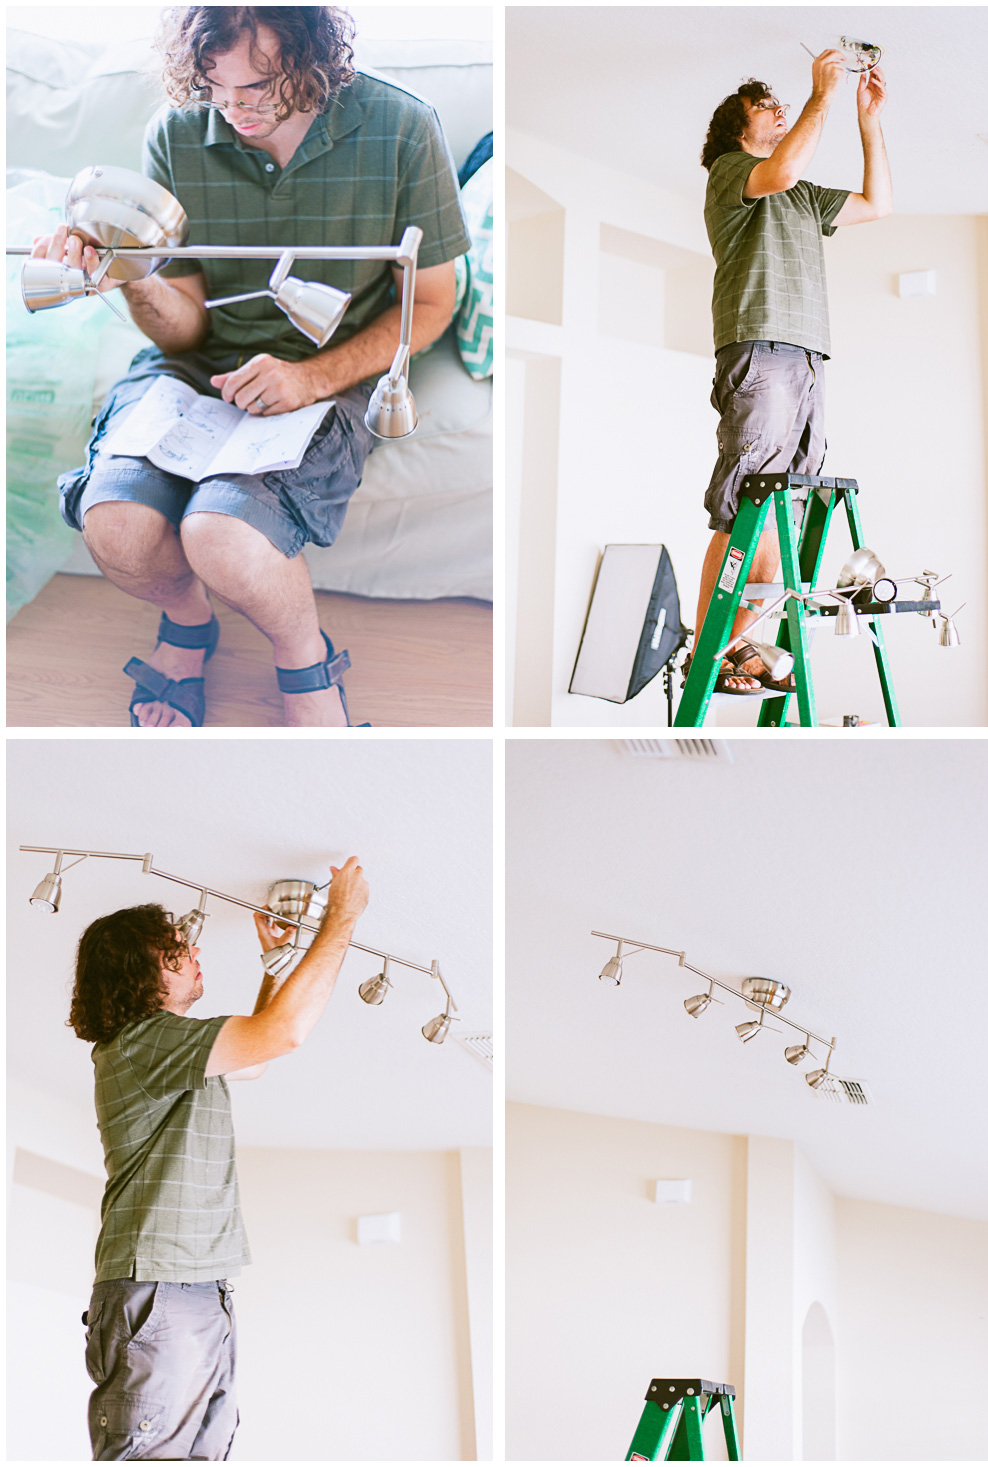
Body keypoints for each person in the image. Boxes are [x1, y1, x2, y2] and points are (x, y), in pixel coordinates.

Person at [35, 7, 470, 728]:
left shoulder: (401, 127)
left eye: (261, 87)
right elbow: (185, 328)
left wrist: (309, 378)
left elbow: (429, 302)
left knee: (223, 536)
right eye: (217, 89)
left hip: (326, 368)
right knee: (113, 521)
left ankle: (305, 659)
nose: (237, 110)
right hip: (195, 368)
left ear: (317, 58)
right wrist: (133, 275)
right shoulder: (177, 134)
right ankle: (186, 624)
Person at [69, 856, 369, 1460]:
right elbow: (283, 1035)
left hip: (191, 1287)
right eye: (176, 947)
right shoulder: (141, 1043)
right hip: (161, 1286)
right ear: (142, 969)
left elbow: (255, 1053)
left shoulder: (166, 1051)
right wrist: (341, 919)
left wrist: (277, 964)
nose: (193, 949)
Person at [688, 49, 890, 694]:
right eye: (764, 107)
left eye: (782, 104)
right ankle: (710, 655)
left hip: (807, 353)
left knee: (781, 507)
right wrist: (821, 96)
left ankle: (743, 648)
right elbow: (781, 169)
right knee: (742, 500)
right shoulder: (731, 171)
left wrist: (868, 120)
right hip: (760, 344)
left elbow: (877, 206)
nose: (778, 110)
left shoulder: (802, 193)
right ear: (737, 129)